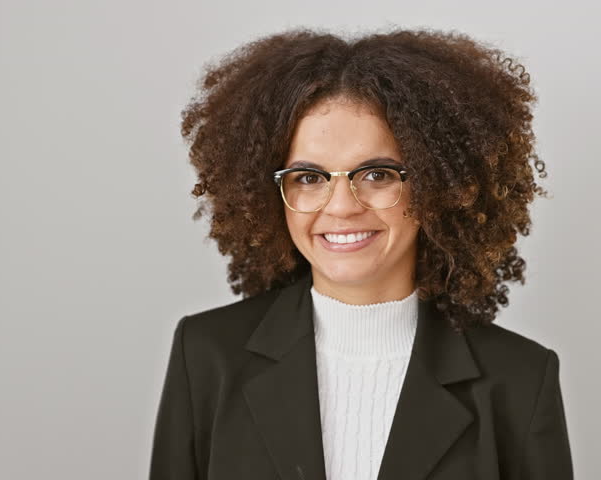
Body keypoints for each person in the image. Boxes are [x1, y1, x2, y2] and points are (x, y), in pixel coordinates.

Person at [150, 26, 573, 480]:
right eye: (309, 178)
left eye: (377, 174)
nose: (343, 206)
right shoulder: (208, 356)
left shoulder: (520, 379)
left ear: (439, 187)